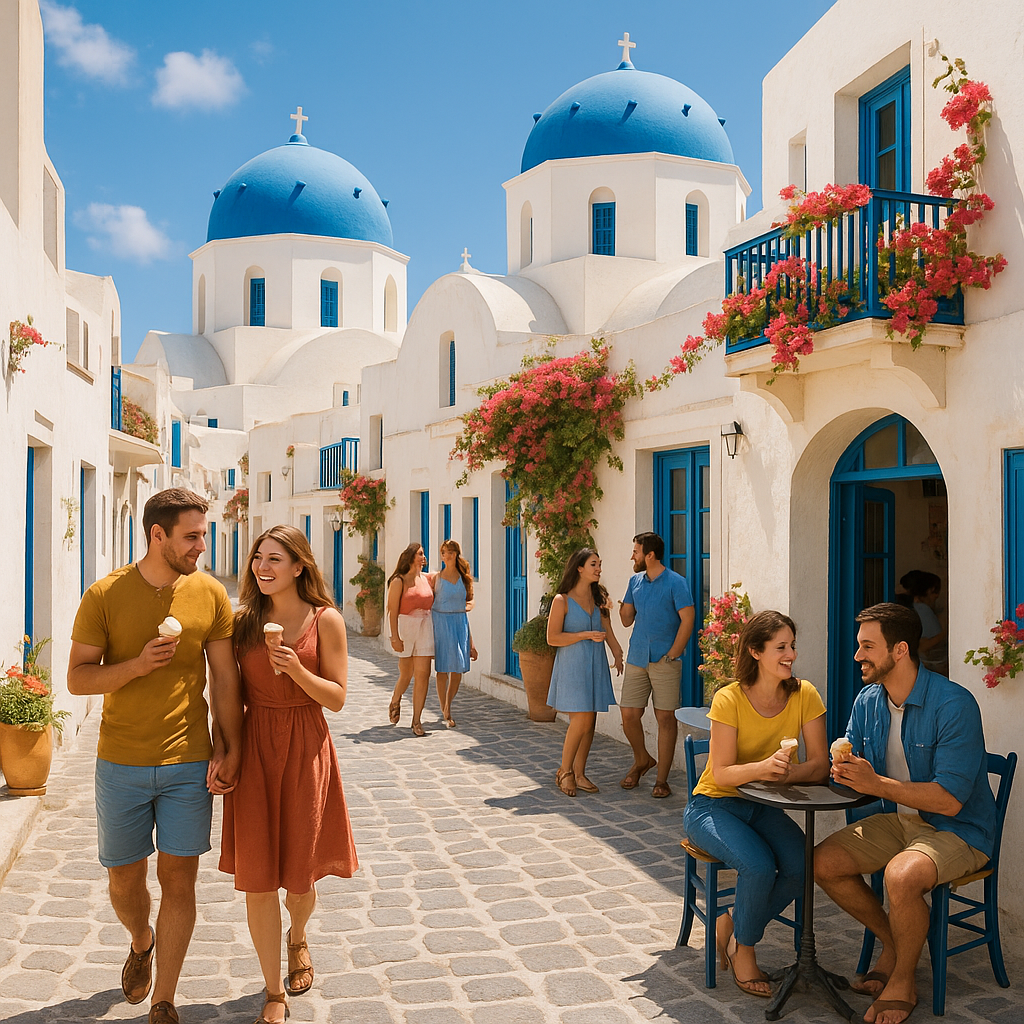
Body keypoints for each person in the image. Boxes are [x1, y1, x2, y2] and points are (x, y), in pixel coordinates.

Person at [68, 488, 243, 1024]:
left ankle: (164, 999)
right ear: (157, 534)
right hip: (119, 762)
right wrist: (136, 666)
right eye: (191, 536)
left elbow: (224, 677)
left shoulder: (209, 593)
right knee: (124, 880)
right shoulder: (104, 594)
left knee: (179, 880)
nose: (201, 546)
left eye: (203, 535)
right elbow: (77, 678)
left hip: (187, 762)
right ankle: (141, 941)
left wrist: (230, 745)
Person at [815, 603, 996, 1024]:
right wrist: (842, 768)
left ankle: (903, 981)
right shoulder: (868, 700)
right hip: (900, 820)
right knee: (822, 862)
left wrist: (876, 784)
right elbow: (856, 767)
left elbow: (949, 801)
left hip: (959, 829)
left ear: (899, 650)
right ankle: (895, 942)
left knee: (901, 876)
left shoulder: (954, 704)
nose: (857, 655)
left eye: (867, 646)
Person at [220, 525, 357, 1024]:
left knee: (299, 879)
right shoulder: (242, 623)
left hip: (305, 747)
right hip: (256, 748)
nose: (262, 567)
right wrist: (223, 750)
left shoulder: (327, 620)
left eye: (274, 559)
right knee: (259, 880)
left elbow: (337, 698)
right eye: (258, 557)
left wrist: (297, 670)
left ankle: (297, 935)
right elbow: (226, 694)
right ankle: (273, 991)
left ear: (299, 566)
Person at [682, 610, 828, 998]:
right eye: (781, 647)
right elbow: (722, 773)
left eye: (792, 646)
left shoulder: (804, 695)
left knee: (803, 864)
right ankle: (743, 950)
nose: (790, 655)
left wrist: (788, 774)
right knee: (759, 867)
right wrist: (764, 767)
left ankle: (730, 923)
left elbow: (820, 765)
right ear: (756, 651)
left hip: (762, 805)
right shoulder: (729, 698)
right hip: (713, 805)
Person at [618, 532, 695, 798]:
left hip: (665, 660)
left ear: (650, 555)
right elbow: (626, 620)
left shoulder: (676, 583)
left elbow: (688, 619)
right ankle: (642, 759)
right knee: (629, 714)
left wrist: (673, 653)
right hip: (637, 656)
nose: (633, 556)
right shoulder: (634, 582)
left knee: (665, 719)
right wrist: (619, 606)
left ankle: (662, 780)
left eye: (636, 552)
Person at [546, 548, 624, 796]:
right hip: (572, 666)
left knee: (590, 722)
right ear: (579, 568)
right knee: (581, 720)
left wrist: (617, 652)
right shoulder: (561, 600)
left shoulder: (598, 598)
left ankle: (579, 774)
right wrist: (584, 635)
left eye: (599, 564)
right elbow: (552, 638)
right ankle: (565, 771)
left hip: (595, 665)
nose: (599, 569)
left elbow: (607, 629)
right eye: (593, 564)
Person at [386, 543, 434, 736]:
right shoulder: (399, 580)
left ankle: (416, 721)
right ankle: (396, 698)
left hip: (425, 626)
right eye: (420, 553)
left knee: (423, 674)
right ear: (411, 556)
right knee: (406, 673)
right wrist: (394, 637)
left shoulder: (427, 579)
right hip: (406, 626)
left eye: (423, 554)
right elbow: (392, 611)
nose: (423, 557)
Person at [431, 539, 478, 728]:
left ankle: (447, 705)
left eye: (451, 552)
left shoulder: (464, 578)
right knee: (442, 669)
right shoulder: (435, 578)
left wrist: (471, 643)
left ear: (456, 554)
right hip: (440, 623)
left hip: (459, 624)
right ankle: (446, 710)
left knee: (457, 669)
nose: (447, 556)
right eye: (444, 552)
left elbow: (469, 602)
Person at [900, 570, 948, 676]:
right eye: (935, 591)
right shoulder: (922, 610)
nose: (937, 596)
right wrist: (947, 631)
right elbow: (923, 646)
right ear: (929, 590)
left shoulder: (910, 608)